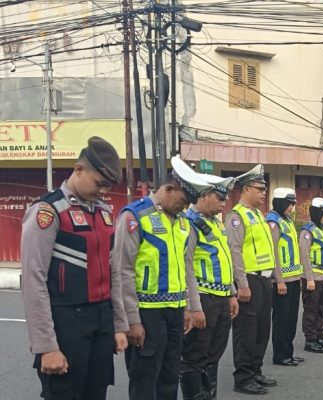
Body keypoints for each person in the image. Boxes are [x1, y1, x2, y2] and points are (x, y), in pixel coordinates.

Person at [21, 137, 128, 400]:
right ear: (79, 169)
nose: (103, 191)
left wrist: (117, 325)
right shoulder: (48, 211)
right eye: (99, 183)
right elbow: (33, 281)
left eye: (108, 186)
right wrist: (46, 346)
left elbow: (113, 272)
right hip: (66, 326)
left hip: (101, 321)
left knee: (96, 393)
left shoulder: (104, 213)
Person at [116, 155, 208, 400]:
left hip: (175, 312)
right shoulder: (135, 216)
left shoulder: (182, 224)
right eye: (183, 200)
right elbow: (122, 271)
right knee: (145, 379)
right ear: (168, 189)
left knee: (169, 377)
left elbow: (186, 268)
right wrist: (132, 321)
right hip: (147, 314)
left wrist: (188, 307)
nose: (185, 207)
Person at [180, 174, 239, 400]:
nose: (224, 204)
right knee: (195, 356)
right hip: (203, 299)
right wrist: (194, 307)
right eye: (219, 198)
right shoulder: (190, 222)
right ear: (203, 196)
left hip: (221, 297)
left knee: (213, 354)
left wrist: (231, 293)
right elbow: (186, 265)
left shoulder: (215, 222)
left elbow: (224, 259)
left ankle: (209, 395)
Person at [225, 164, 277, 395]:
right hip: (249, 280)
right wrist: (242, 284)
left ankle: (256, 370)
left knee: (262, 329)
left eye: (264, 188)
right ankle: (243, 377)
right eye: (259, 188)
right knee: (246, 330)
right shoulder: (237, 216)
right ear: (246, 189)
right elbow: (234, 251)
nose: (264, 193)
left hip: (264, 281)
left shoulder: (258, 215)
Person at [266, 188, 305, 366]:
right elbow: (273, 252)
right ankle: (280, 355)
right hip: (282, 281)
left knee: (291, 319)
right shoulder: (273, 222)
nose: (292, 208)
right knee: (282, 319)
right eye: (290, 204)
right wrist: (279, 279)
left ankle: (288, 352)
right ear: (281, 202)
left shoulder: (286, 220)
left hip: (294, 278)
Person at [299, 198, 323, 353]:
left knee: (322, 309)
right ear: (315, 213)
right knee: (311, 310)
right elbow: (305, 255)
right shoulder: (307, 231)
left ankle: (320, 336)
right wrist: (309, 278)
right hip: (312, 278)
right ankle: (310, 339)